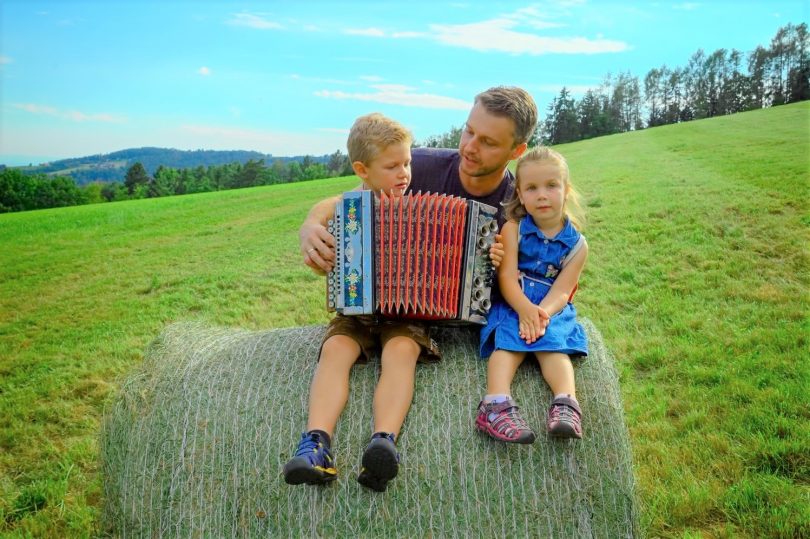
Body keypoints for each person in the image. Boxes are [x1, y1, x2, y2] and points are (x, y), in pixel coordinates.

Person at [283, 113, 443, 492]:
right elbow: (328, 209)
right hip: (357, 312)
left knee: (401, 352)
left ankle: (383, 442)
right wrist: (314, 235)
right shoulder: (350, 208)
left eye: (407, 163)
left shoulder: (420, 207)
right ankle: (316, 443)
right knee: (335, 350)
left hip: (406, 313)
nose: (404, 173)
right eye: (392, 166)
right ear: (362, 170)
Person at [298, 86, 538, 274]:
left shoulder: (521, 204)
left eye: (488, 142)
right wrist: (311, 223)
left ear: (517, 151)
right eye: (469, 131)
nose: (469, 147)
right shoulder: (414, 166)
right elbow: (348, 200)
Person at [475, 146, 589, 443]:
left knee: (553, 347)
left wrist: (542, 314)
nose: (542, 195)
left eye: (551, 185)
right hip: (514, 301)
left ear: (566, 190)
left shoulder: (578, 245)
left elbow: (563, 290)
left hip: (550, 307)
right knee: (507, 345)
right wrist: (524, 309)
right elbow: (506, 277)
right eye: (532, 188)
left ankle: (566, 403)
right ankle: (494, 404)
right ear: (521, 195)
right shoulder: (513, 229)